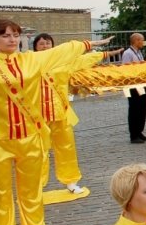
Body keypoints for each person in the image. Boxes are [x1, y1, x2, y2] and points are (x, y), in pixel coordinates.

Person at [0, 18, 112, 225]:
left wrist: (90, 44)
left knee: (31, 198)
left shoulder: (33, 60)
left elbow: (65, 50)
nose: (11, 39)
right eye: (5, 35)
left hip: (30, 139)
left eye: (15, 34)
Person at [33, 33, 123, 194]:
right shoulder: (29, 62)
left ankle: (71, 182)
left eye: (48, 43)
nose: (45, 46)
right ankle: (36, 186)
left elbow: (84, 60)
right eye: (41, 44)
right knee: (38, 150)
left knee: (66, 147)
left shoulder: (63, 62)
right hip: (36, 115)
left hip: (61, 111)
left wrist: (106, 53)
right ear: (35, 47)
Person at [122, 33, 146, 144]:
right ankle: (133, 135)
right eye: (142, 40)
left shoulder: (139, 52)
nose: (143, 43)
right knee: (134, 109)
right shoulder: (128, 53)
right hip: (133, 85)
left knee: (142, 109)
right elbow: (125, 69)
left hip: (142, 84)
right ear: (136, 40)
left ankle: (139, 131)